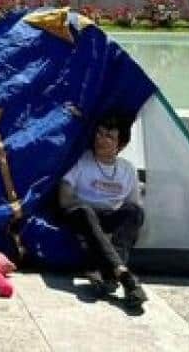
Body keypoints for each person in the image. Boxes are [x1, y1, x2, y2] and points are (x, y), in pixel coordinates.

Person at [58, 116, 148, 309]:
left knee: (135, 212)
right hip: (82, 215)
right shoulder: (81, 161)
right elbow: (64, 199)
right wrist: (85, 207)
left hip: (109, 216)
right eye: (99, 133)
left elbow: (133, 208)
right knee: (84, 211)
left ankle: (107, 273)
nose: (101, 139)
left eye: (109, 136)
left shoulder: (127, 169)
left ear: (120, 145)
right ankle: (125, 277)